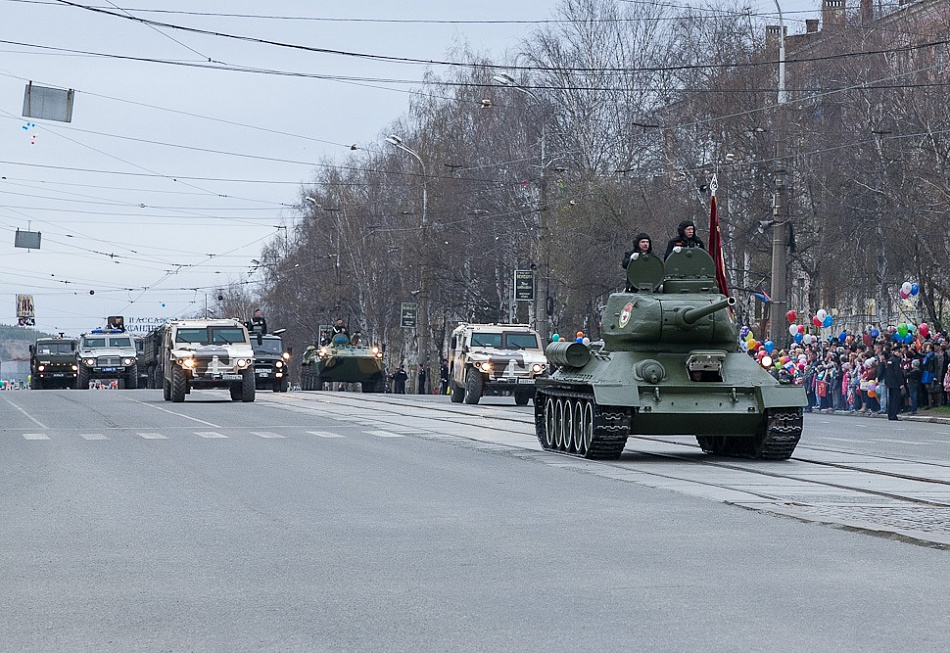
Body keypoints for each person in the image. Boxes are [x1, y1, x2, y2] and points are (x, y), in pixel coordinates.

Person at [877, 347, 906, 421]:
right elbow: (897, 373)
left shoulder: (890, 360)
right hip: (895, 383)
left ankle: (890, 414)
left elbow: (888, 372)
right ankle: (894, 415)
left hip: (890, 383)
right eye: (899, 352)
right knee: (895, 399)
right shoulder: (896, 361)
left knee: (891, 399)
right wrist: (901, 383)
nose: (900, 354)